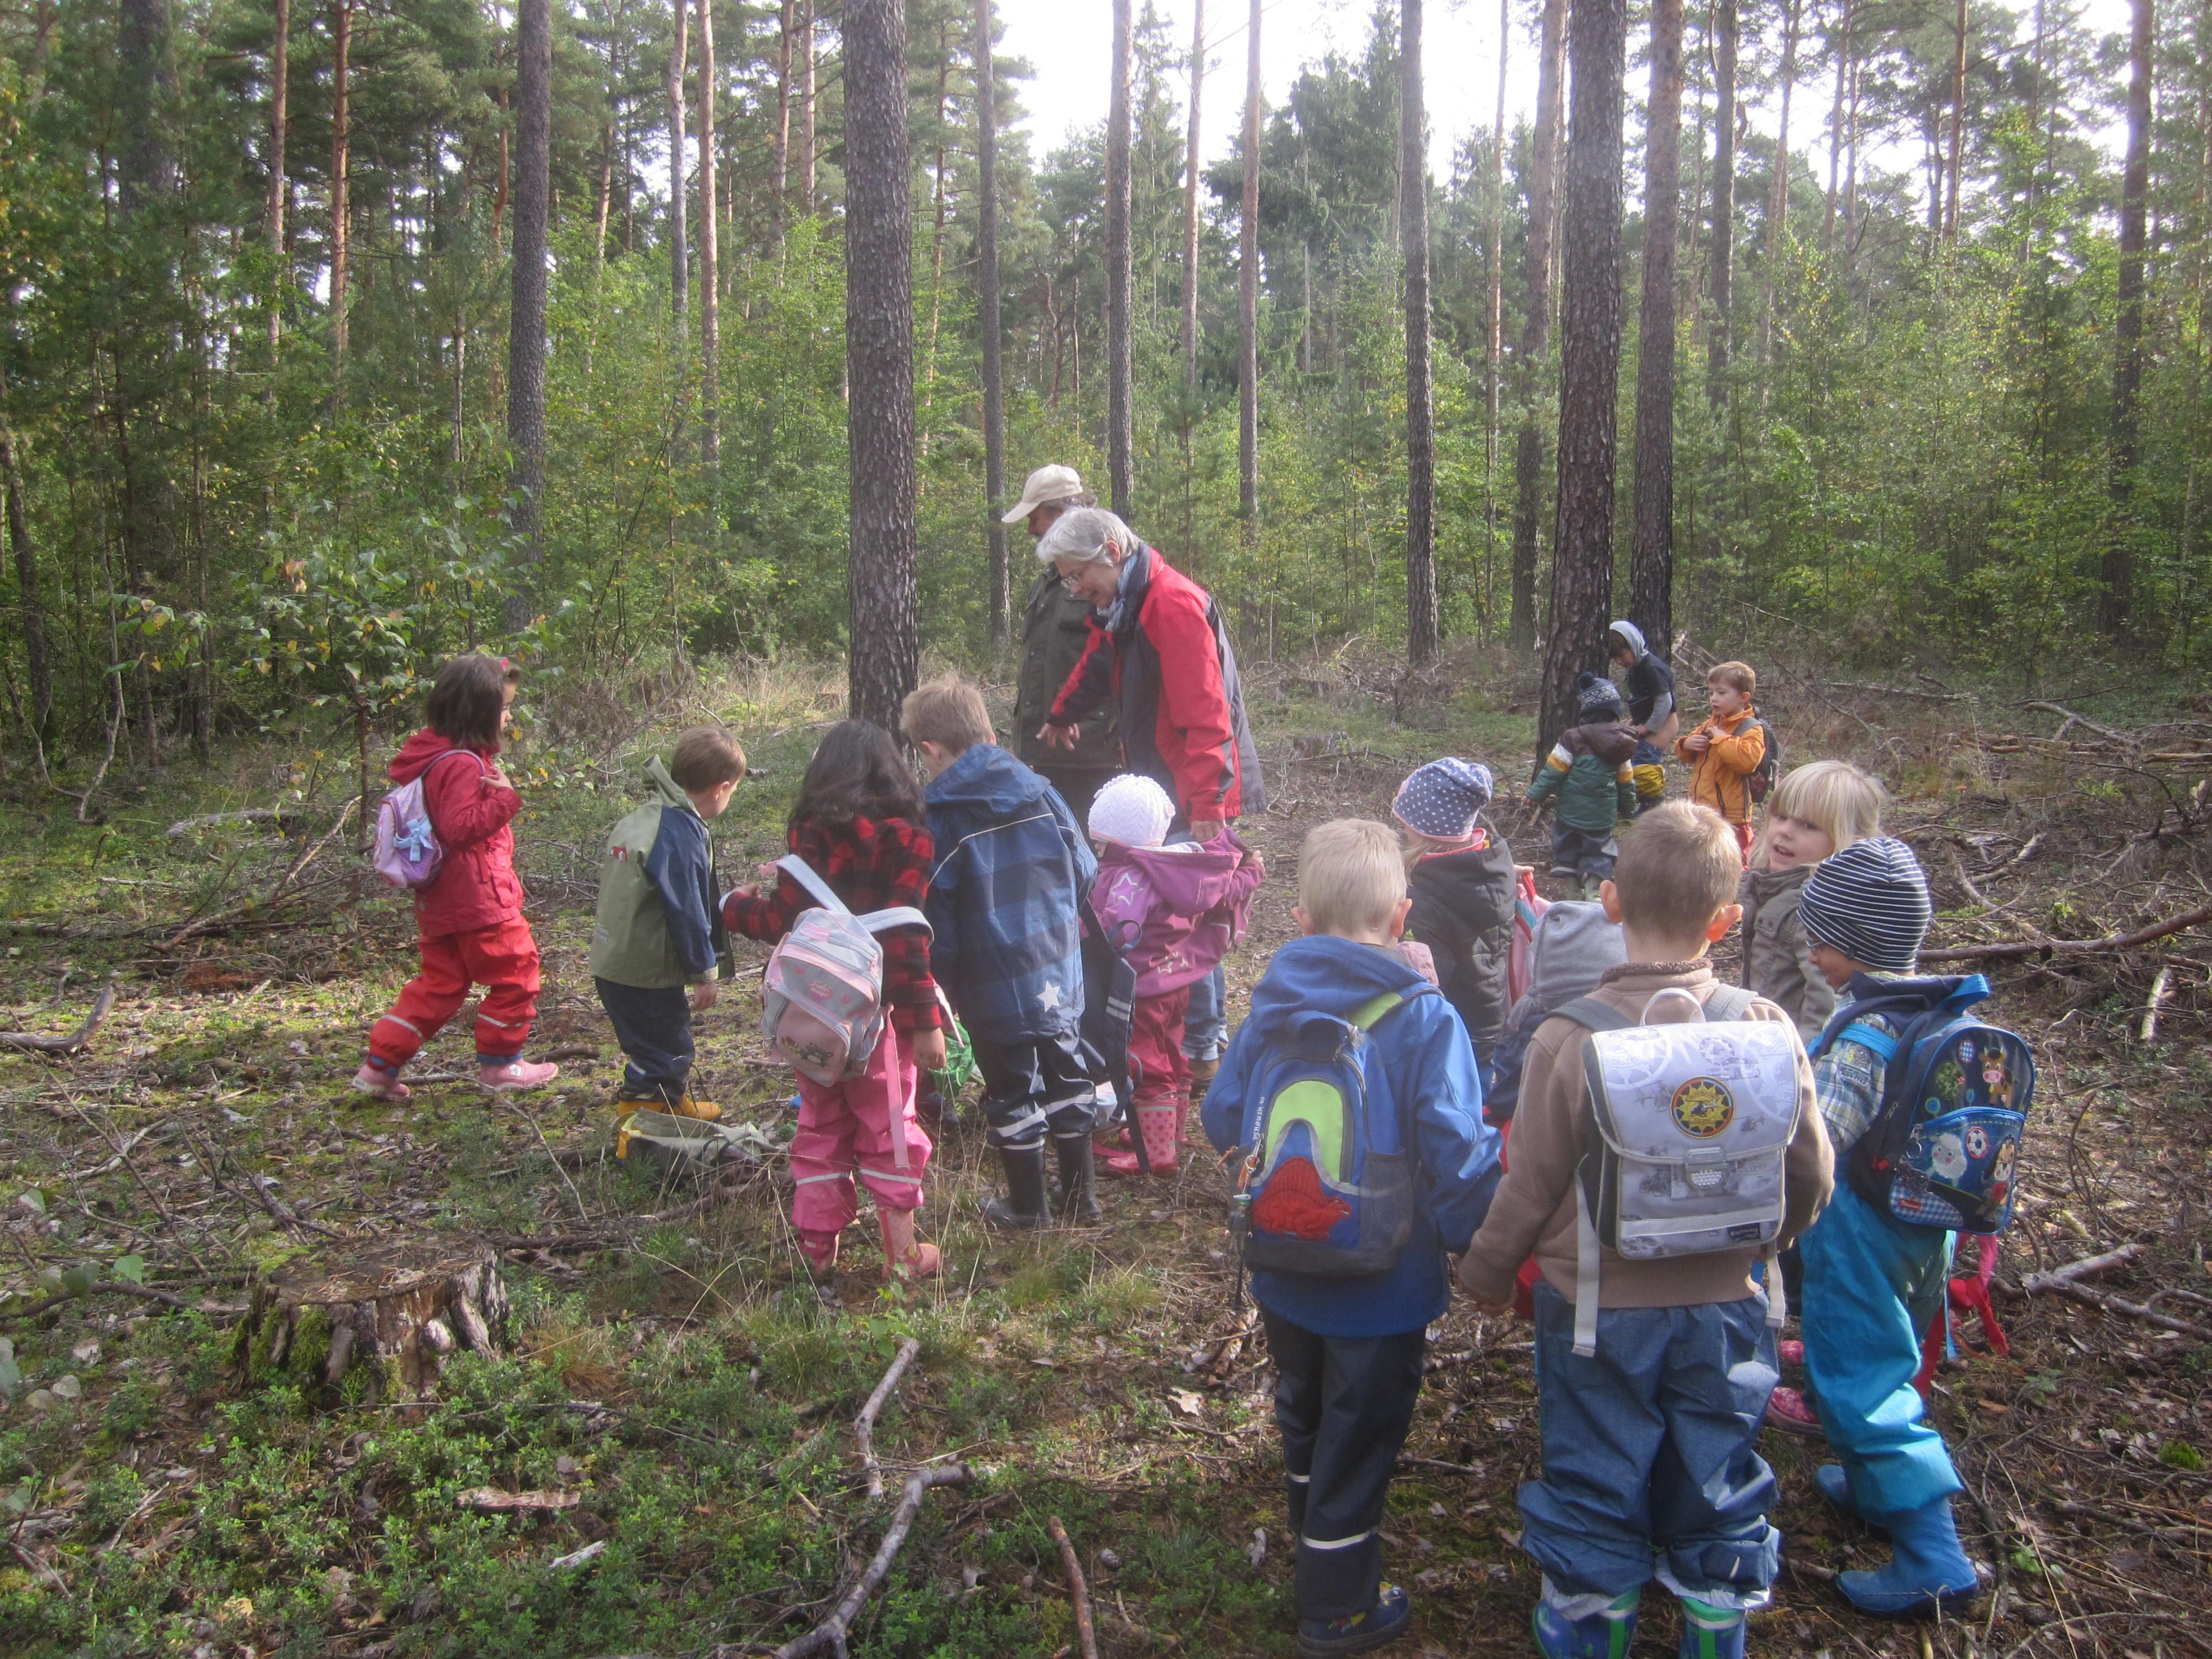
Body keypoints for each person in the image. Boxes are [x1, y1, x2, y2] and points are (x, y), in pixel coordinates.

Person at [1455, 802, 1833, 1659]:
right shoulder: (1764, 1027)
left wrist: (1485, 1270)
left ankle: (1593, 1618)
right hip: (1729, 1305)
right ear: (1726, 920)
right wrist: (1769, 1246)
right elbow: (1810, 1171)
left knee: (1596, 1460)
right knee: (1716, 1460)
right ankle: (1713, 1614)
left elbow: (1530, 1184)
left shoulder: (1568, 1037)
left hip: (1595, 1309)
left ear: (1610, 901)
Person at [1201, 820, 1500, 1658]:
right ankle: (1337, 1609)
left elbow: (1223, 1113)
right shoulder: (1425, 1017)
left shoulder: (1270, 1006)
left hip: (1285, 1266)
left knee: (1303, 1408)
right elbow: (1455, 1144)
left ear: (1299, 919)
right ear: (1401, 918)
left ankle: (1311, 1526)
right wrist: (1481, 1239)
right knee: (1362, 1436)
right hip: (1386, 1282)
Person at [1787, 837, 1983, 1618]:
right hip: (1924, 1227)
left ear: (1857, 944)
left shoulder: (1864, 1037)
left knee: (1861, 1378)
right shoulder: (1935, 1009)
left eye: (1822, 939)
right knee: (1887, 1355)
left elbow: (1818, 1142)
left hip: (1860, 1231)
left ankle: (1934, 1555)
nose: (1812, 952)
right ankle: (1876, 1487)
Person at [1034, 505, 1267, 1103]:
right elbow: (1097, 661)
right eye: (1065, 578)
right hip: (1161, 781)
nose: (1074, 588)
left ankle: (1201, 1052)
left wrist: (1210, 807)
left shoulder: (1171, 602)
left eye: (1076, 573)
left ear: (1111, 551)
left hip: (1194, 788)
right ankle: (1175, 1047)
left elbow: (1207, 714)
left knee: (1189, 917)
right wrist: (1062, 712)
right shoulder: (1120, 604)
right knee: (1166, 918)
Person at [723, 722, 948, 1288]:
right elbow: (905, 939)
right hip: (881, 1020)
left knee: (820, 1126)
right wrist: (926, 1025)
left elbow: (779, 921)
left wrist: (733, 908)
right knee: (888, 1128)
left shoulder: (810, 833)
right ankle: (900, 1253)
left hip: (812, 1016)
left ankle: (818, 1251)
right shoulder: (909, 838)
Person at [903, 675, 1101, 1229]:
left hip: (990, 979)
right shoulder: (1040, 789)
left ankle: (1027, 1207)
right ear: (988, 732)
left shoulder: (940, 818)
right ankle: (1081, 1198)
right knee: (1069, 1071)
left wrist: (941, 982)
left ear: (930, 750)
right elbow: (1085, 869)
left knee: (1011, 1087)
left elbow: (935, 913)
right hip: (1058, 964)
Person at [354, 655, 560, 1099]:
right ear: (480, 712)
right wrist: (505, 800)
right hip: (480, 899)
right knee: (517, 973)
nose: (508, 717)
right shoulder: (462, 764)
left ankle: (379, 1067)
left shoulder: (431, 758)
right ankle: (503, 1065)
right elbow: (459, 827)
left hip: (441, 900)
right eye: (504, 708)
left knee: (439, 985)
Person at [1086, 773, 1265, 1178]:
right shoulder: (1181, 868)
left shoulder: (1131, 875)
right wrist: (1252, 872)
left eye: (1101, 845)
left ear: (1115, 841)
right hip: (1175, 982)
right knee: (1173, 1055)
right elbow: (1229, 891)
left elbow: (1117, 930)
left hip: (1141, 990)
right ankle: (1169, 1132)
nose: (1098, 853)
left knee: (1144, 1064)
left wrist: (1081, 926)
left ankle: (1156, 1152)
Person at [588, 728, 748, 1138]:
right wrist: (704, 972)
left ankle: (670, 1105)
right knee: (664, 1053)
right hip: (644, 969)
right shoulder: (678, 832)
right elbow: (686, 908)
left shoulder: (647, 815)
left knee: (656, 1042)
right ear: (721, 788)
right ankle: (640, 1137)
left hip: (615, 960)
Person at [1740, 760, 1887, 1041]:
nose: (1785, 831)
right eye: (1781, 817)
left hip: (1792, 1056)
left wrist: (1804, 1064)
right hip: (1767, 1042)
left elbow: (1826, 1004)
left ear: (1847, 843)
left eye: (1808, 825)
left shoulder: (1815, 909)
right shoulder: (1775, 890)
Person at [1006, 465, 1117, 826]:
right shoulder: (1046, 582)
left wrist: (1096, 729)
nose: (1031, 529)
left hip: (1091, 757)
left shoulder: (1107, 573)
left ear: (1059, 513)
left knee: (1089, 862)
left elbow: (1115, 662)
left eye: (1035, 517)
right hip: (1044, 754)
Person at [1393, 758, 1516, 1065]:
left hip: (1454, 1034)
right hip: (1490, 1020)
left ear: (1423, 827)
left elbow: (1428, 982)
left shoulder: (1426, 901)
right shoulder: (1495, 866)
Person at [1526, 672, 1638, 901]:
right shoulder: (1622, 744)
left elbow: (1553, 772)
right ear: (1615, 713)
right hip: (1602, 816)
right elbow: (1626, 782)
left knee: (1567, 845)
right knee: (1599, 850)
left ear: (1586, 713)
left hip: (1570, 811)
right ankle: (1594, 890)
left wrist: (1535, 795)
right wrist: (1628, 810)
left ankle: (1572, 890)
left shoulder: (1572, 738)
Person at [1677, 661, 1767, 860]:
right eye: (1712, 693)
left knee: (1734, 860)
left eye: (1721, 693)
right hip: (1701, 809)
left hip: (1732, 816)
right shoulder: (1711, 722)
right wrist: (1686, 744)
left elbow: (1747, 761)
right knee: (1703, 858)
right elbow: (1685, 755)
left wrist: (1721, 739)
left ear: (1743, 698)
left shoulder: (1751, 728)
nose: (1714, 699)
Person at [1607, 620, 1677, 815]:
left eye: (1622, 655)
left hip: (1663, 723)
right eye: (1615, 659)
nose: (1620, 661)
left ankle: (1653, 804)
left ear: (1633, 644)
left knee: (1644, 762)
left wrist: (1648, 728)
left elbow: (1664, 702)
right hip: (1647, 722)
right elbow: (1643, 702)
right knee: (1633, 761)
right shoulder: (1636, 670)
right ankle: (1640, 803)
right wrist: (1631, 723)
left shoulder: (1651, 667)